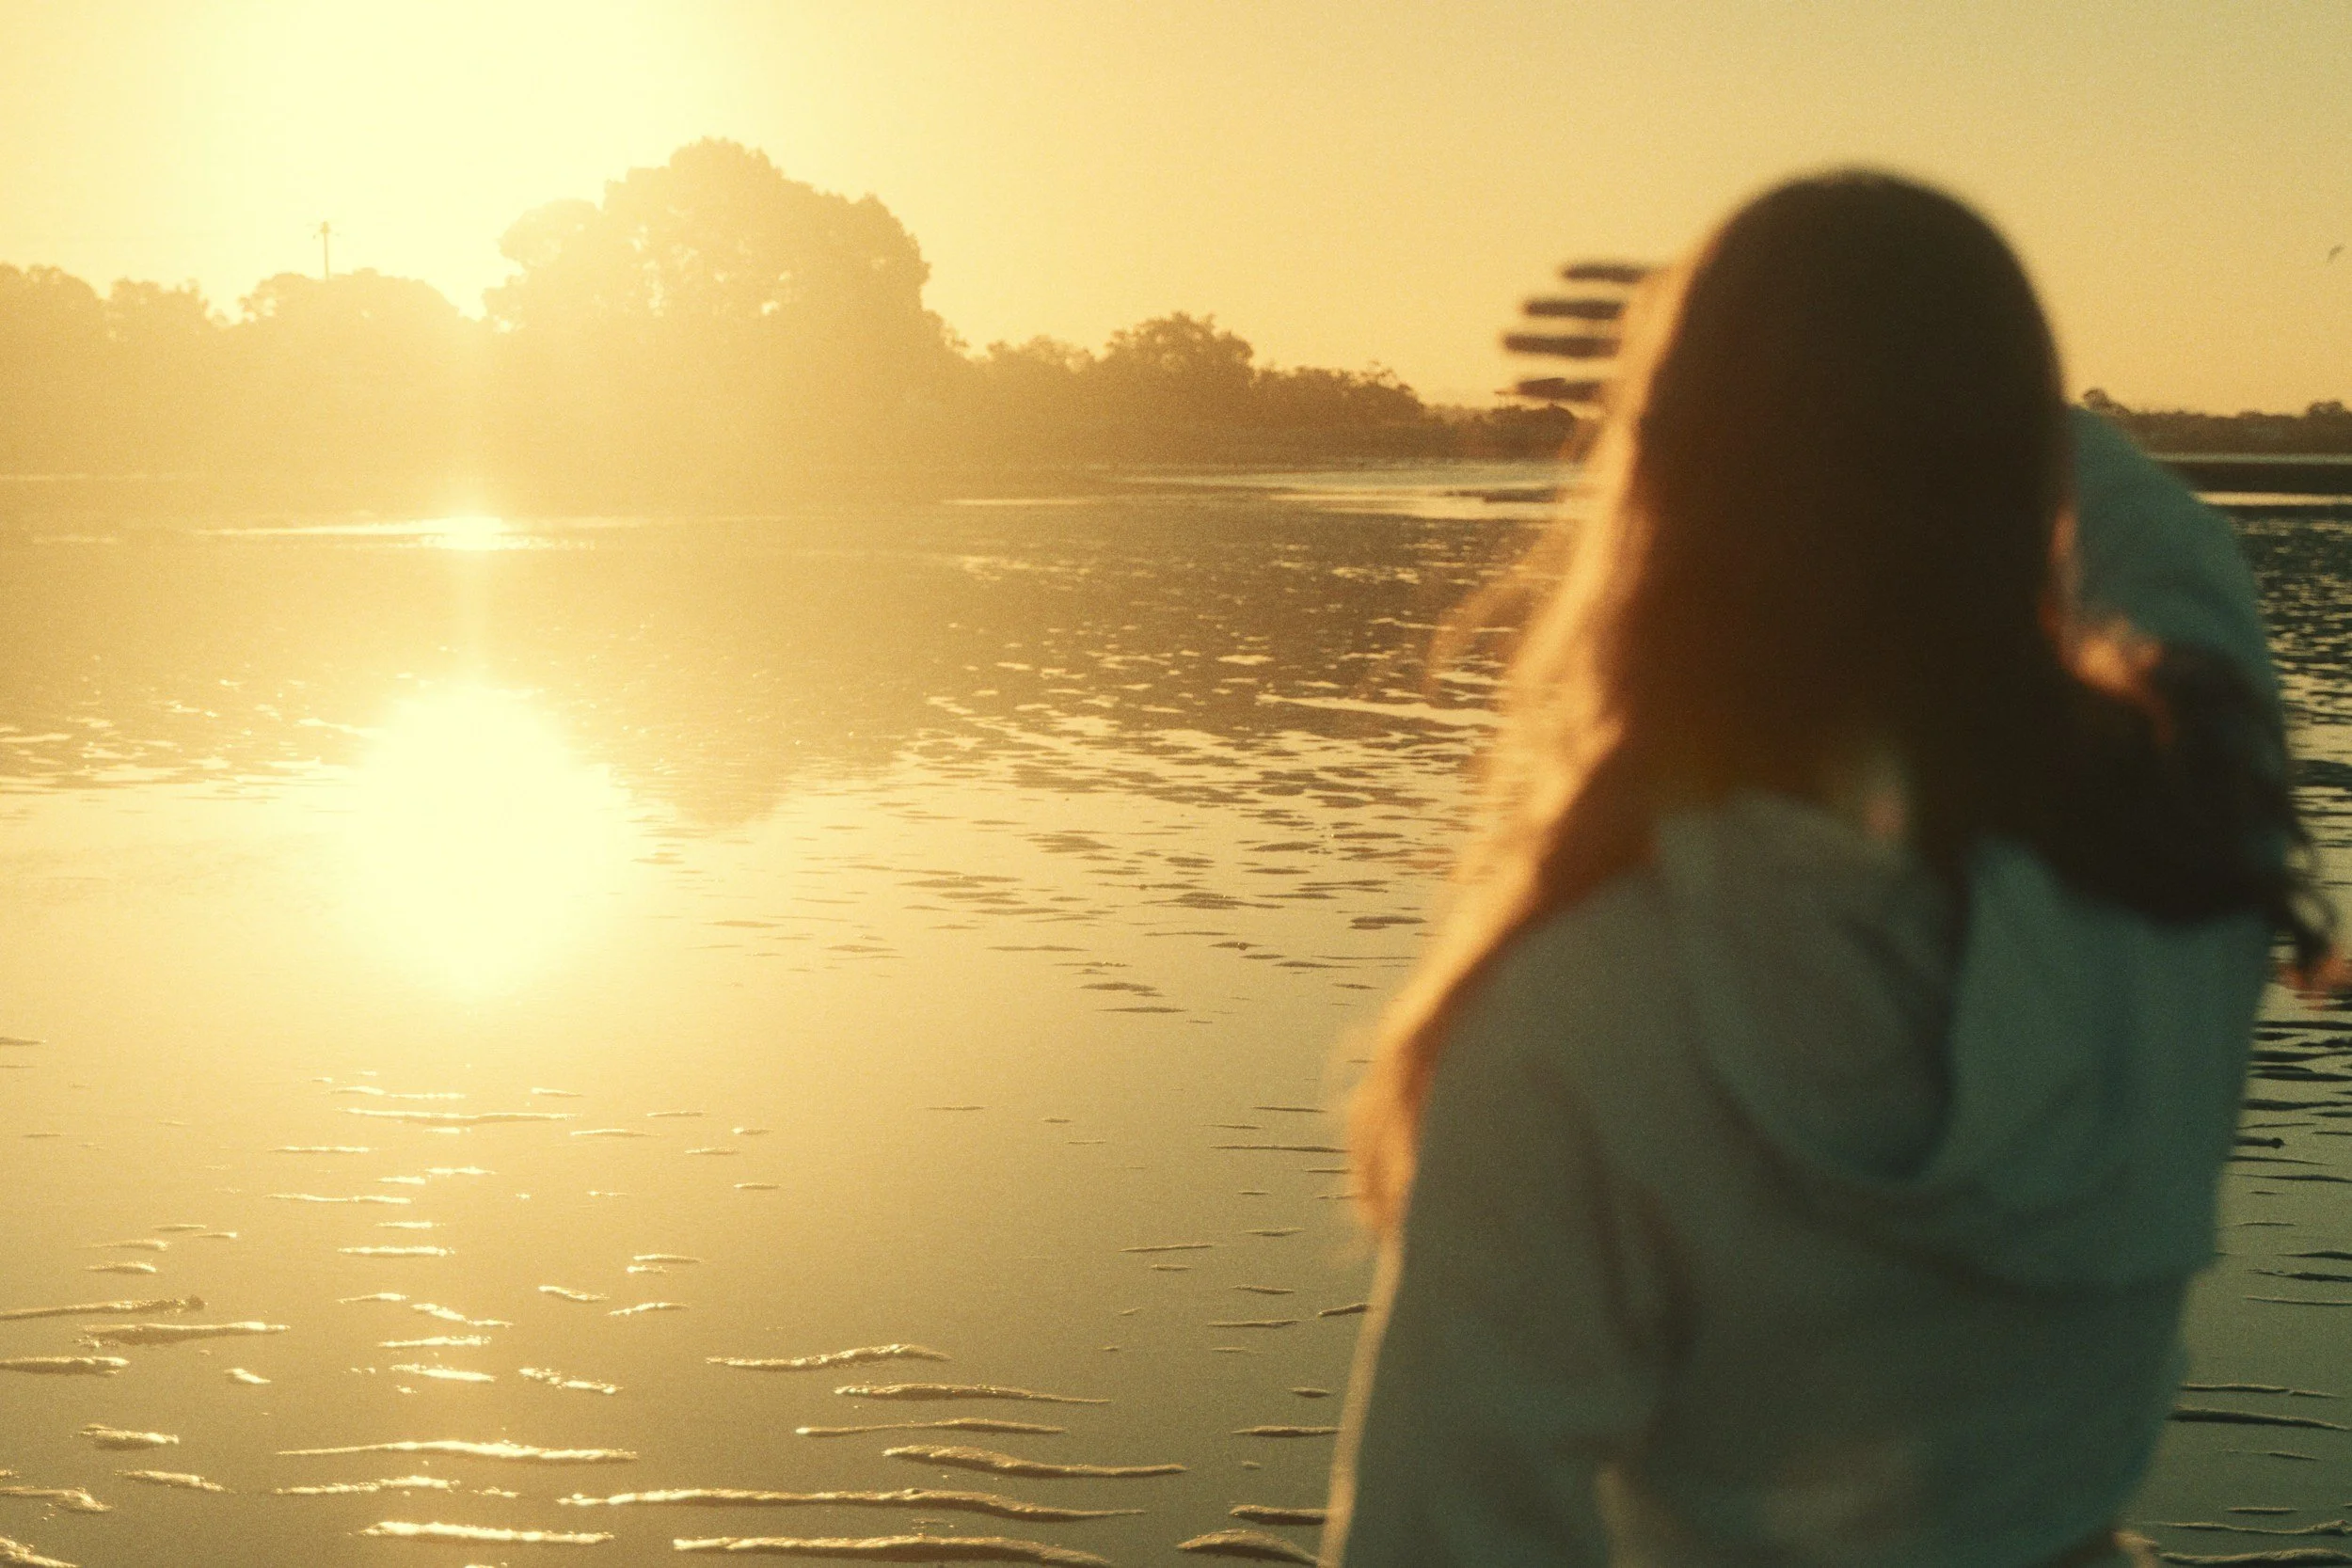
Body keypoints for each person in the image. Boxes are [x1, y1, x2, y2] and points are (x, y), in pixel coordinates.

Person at [1325, 170, 2332, 1568]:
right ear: (2016, 492)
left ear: (1671, 500)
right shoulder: (2188, 853)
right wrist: (1921, 384)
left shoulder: (1582, 1014)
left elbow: (1443, 1535)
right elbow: (2177, 553)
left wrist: (1744, 376)